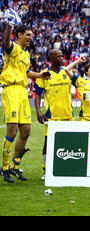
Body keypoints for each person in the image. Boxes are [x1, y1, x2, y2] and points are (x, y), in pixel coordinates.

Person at [0, 20, 49, 183]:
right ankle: (5, 167)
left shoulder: (26, 54)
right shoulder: (13, 47)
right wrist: (9, 26)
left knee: (26, 131)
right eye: (28, 35)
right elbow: (5, 42)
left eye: (32, 35)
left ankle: (15, 164)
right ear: (19, 35)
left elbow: (26, 72)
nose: (31, 37)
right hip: (11, 89)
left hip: (22, 91)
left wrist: (40, 75)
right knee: (12, 130)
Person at [34, 49, 74, 179]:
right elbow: (38, 94)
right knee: (48, 142)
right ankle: (46, 169)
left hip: (68, 114)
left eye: (62, 56)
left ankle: (66, 167)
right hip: (52, 116)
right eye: (58, 56)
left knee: (69, 142)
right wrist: (39, 111)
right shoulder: (44, 74)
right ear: (51, 57)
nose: (61, 58)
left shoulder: (66, 72)